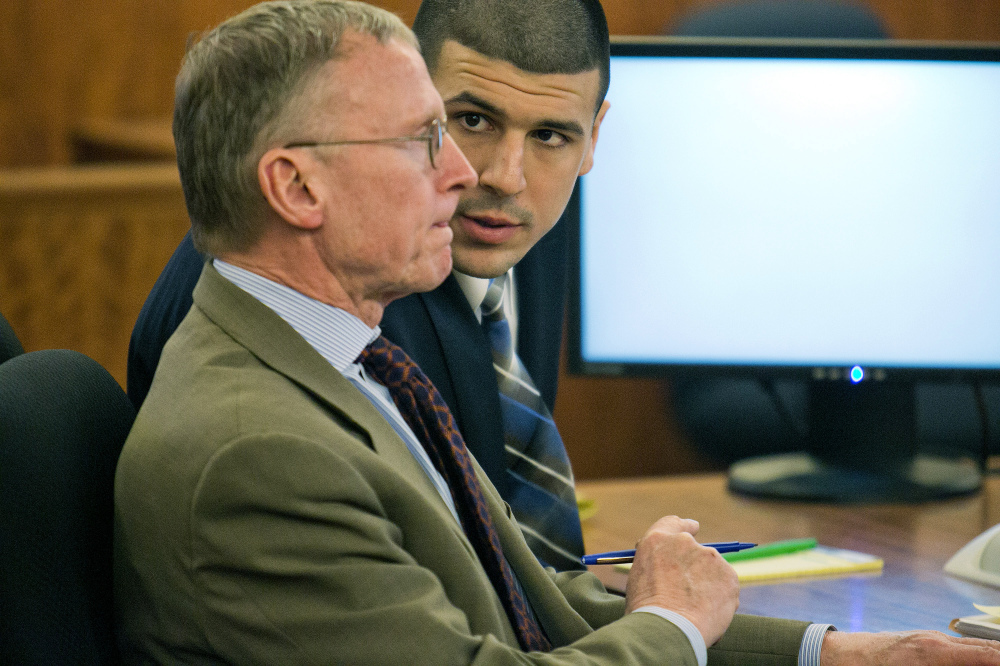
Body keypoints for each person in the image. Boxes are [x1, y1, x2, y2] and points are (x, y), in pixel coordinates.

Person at [114, 2, 1000, 663]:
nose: (474, 178)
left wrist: (839, 652)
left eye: (550, 136)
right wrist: (673, 624)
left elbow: (523, 596)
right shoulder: (259, 449)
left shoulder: (347, 356)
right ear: (299, 190)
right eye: (432, 136)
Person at [127, 0, 614, 573]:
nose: (506, 178)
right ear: (414, 100)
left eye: (552, 136)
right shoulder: (307, 280)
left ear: (591, 137)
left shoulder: (526, 221)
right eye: (472, 121)